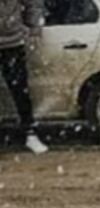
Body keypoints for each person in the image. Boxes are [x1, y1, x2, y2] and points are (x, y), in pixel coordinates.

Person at [0, 0, 47, 153]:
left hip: (12, 42)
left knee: (20, 90)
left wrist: (33, 27)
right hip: (13, 38)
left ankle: (29, 133)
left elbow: (33, 4)